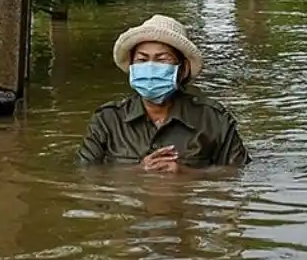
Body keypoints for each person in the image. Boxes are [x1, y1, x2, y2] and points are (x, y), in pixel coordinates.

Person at [78, 14, 251, 172]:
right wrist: (138, 170)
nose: (151, 67)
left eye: (162, 60)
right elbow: (85, 174)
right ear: (132, 66)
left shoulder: (214, 120)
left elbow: (239, 175)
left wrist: (187, 174)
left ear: (182, 69)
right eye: (142, 60)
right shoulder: (107, 120)